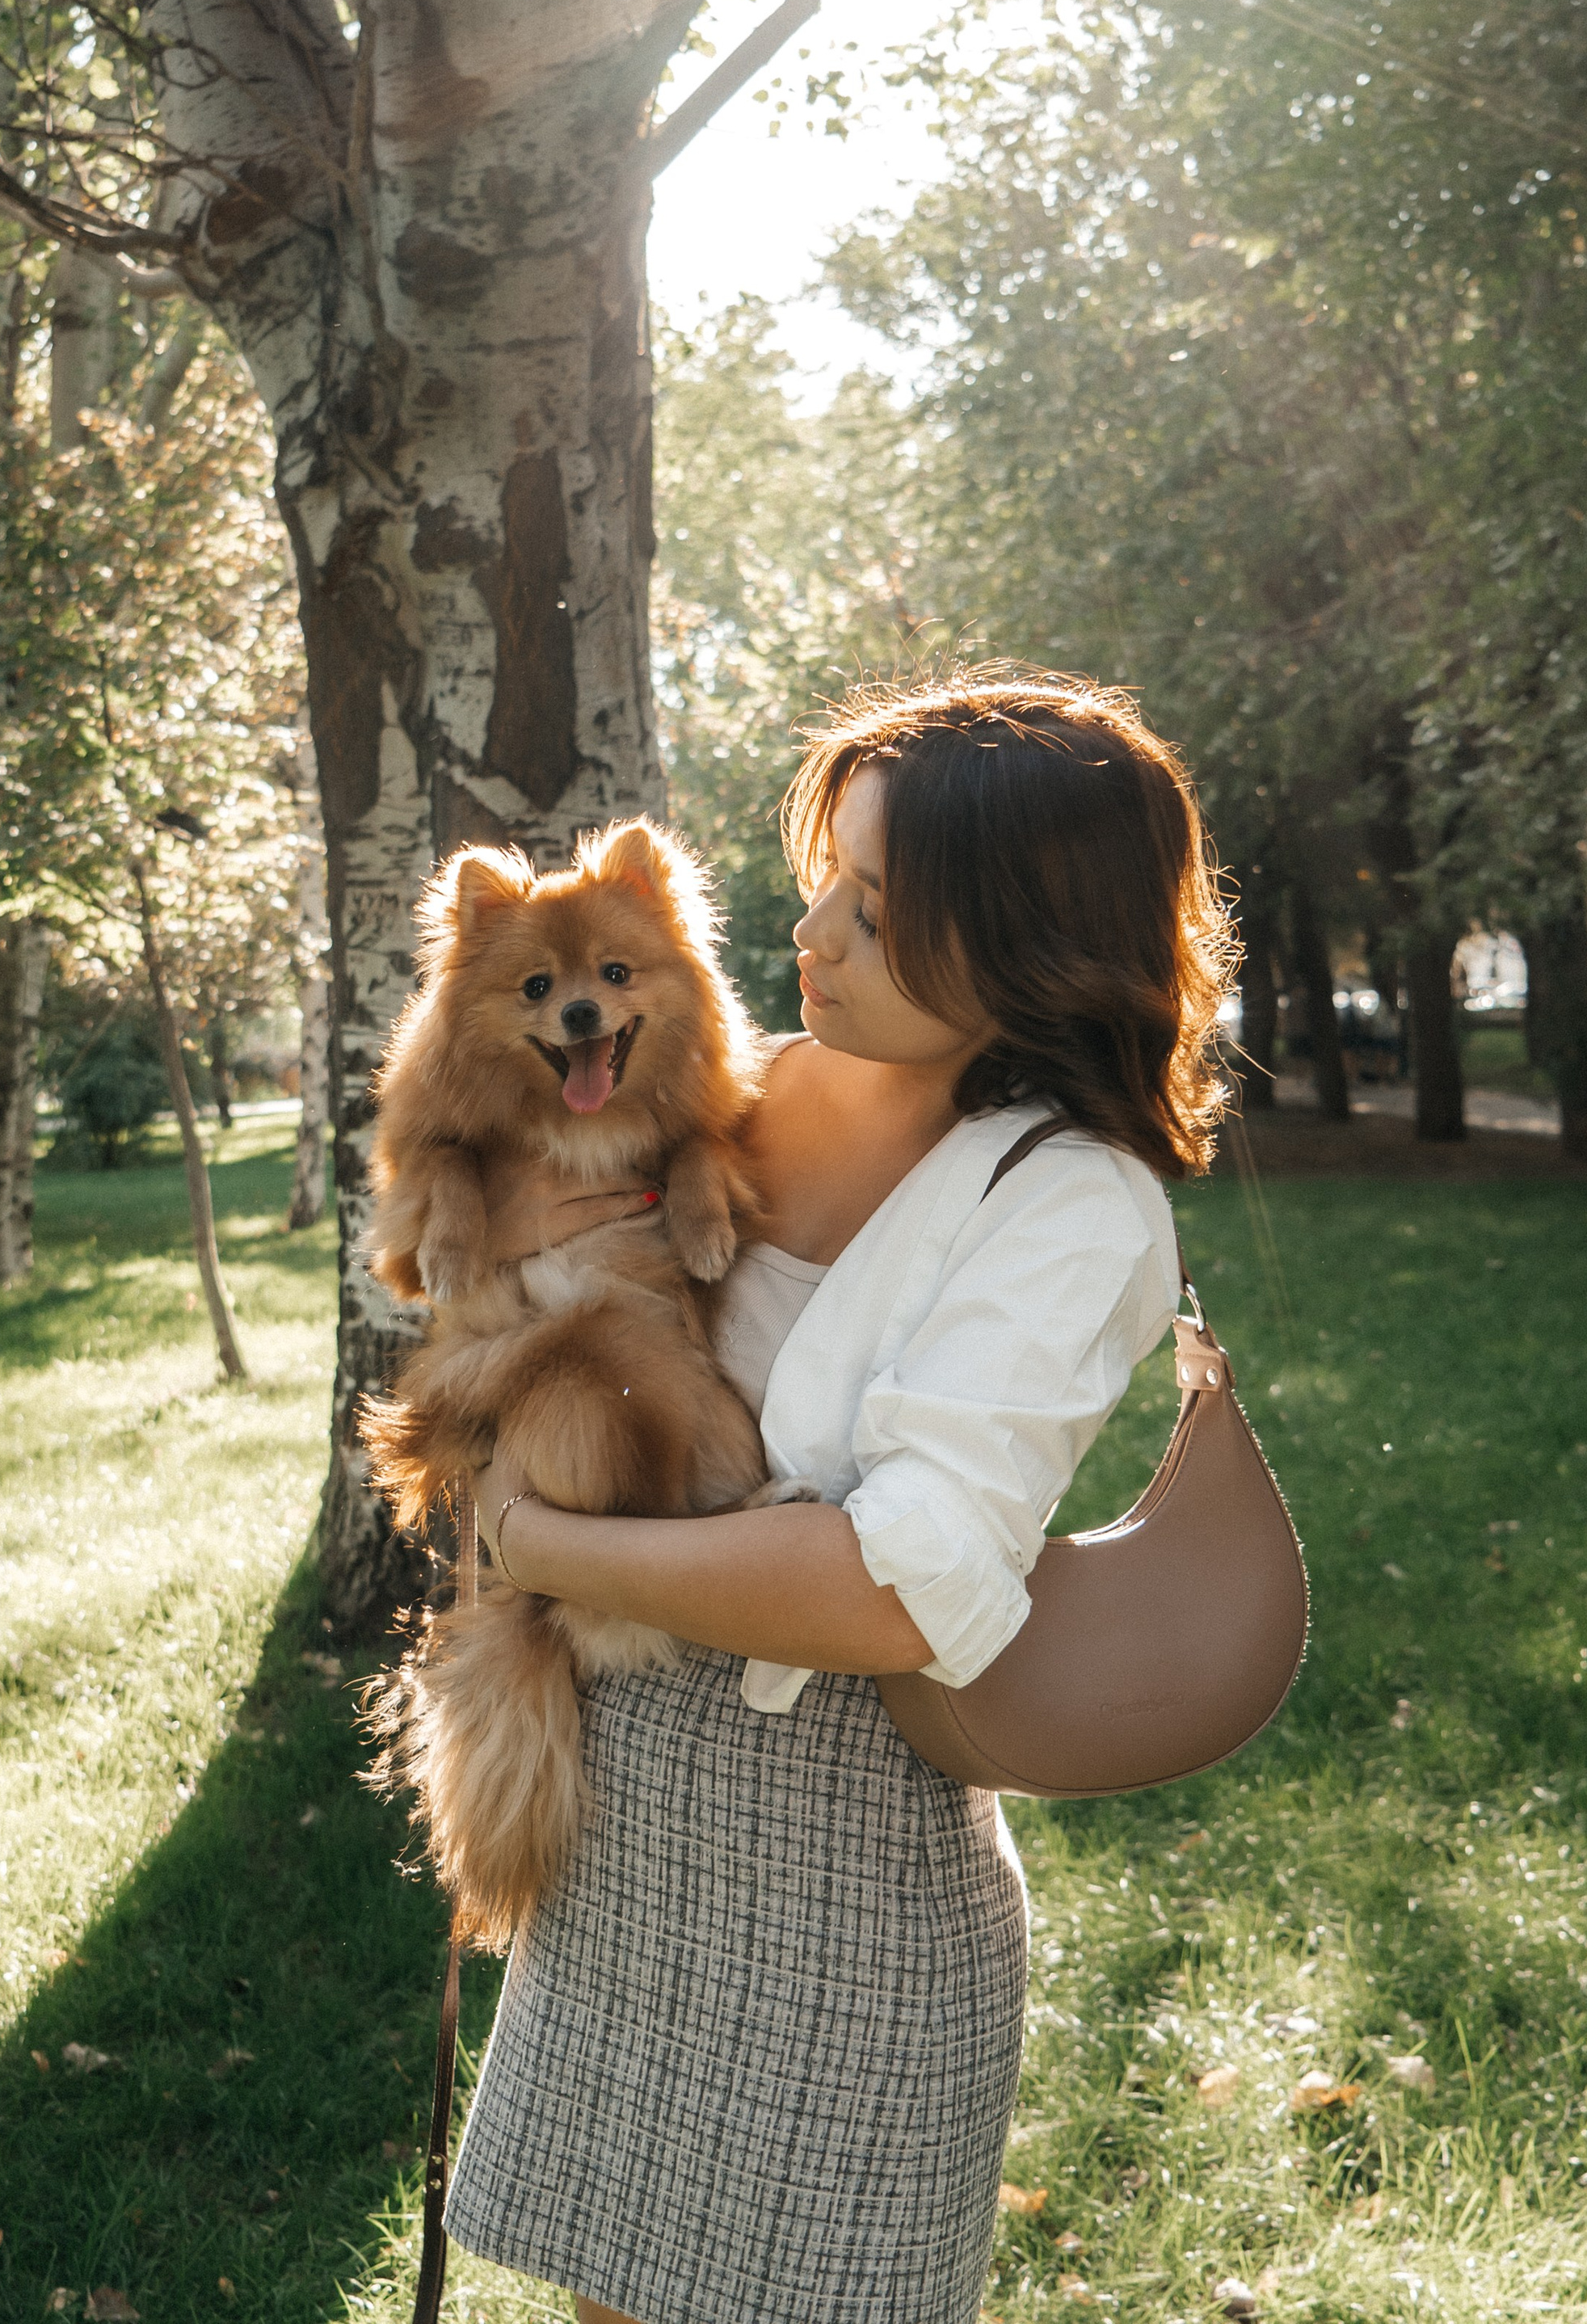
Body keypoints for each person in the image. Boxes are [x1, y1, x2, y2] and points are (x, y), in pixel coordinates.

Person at [442, 667, 1234, 2324]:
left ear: (1022, 939)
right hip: (624, 1817)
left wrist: (535, 1539)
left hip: (841, 1885)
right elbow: (480, 1267)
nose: (811, 933)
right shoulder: (727, 1092)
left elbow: (902, 1582)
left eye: (872, 912)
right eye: (823, 879)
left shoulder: (1068, 1204)